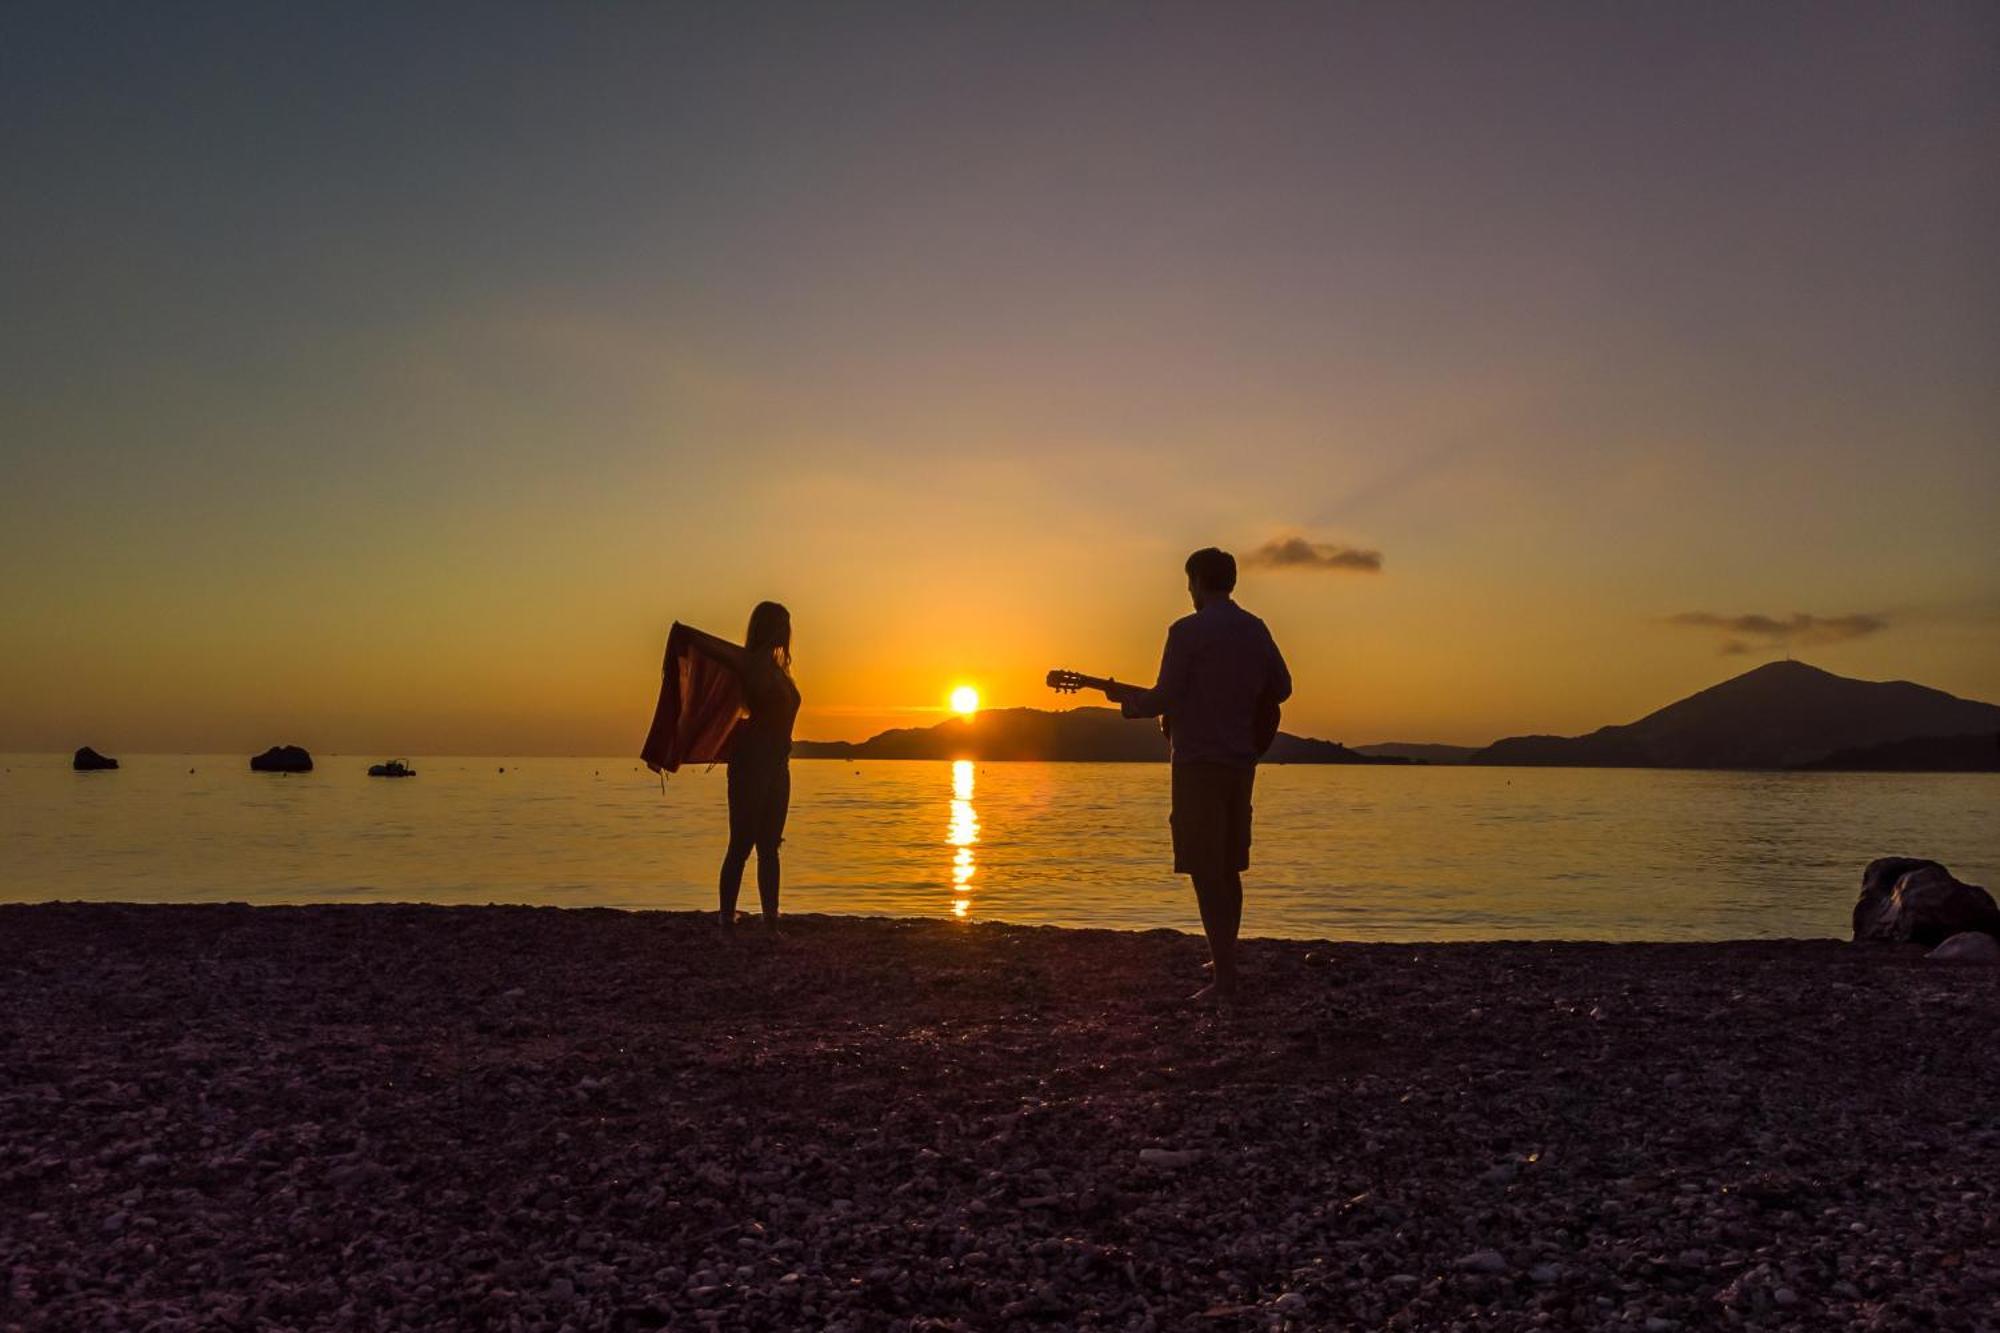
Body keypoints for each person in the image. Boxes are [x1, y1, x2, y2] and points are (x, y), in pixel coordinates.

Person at [1100, 549, 1290, 1002]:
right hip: (1242, 759)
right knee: (1229, 865)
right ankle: (1224, 956)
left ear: (1198, 580)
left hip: (1197, 763)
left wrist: (1128, 705)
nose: (1187, 591)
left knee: (1207, 871)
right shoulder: (1255, 628)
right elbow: (1282, 687)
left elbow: (1164, 697)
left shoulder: (1185, 632)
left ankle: (1225, 981)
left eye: (1189, 582)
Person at [715, 601, 800, 936]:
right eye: (781, 624)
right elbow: (714, 649)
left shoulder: (780, 671)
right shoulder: (749, 663)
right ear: (767, 627)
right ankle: (725, 917)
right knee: (741, 843)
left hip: (779, 764)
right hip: (751, 762)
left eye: (787, 624)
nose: (786, 630)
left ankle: (771, 918)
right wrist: (683, 635)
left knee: (770, 844)